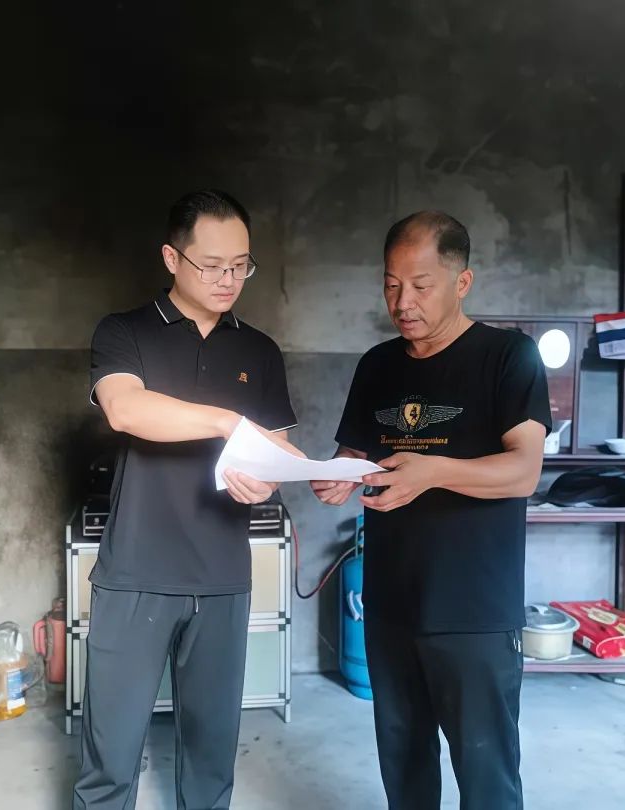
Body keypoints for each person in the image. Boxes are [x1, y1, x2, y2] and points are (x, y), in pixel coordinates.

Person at [311, 211, 551, 810]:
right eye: (392, 285)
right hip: (391, 604)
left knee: (486, 774)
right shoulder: (377, 365)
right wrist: (334, 474)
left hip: (473, 610)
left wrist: (433, 470)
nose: (403, 301)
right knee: (405, 770)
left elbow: (523, 471)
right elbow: (355, 453)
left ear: (461, 282)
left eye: (421, 285)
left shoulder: (508, 356)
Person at [74, 189, 299, 810]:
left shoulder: (259, 351)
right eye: (213, 265)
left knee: (210, 759)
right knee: (110, 758)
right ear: (172, 258)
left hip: (223, 576)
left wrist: (270, 478)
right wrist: (228, 422)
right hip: (136, 574)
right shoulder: (125, 331)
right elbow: (125, 409)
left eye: (242, 266)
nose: (229, 280)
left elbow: (276, 449)